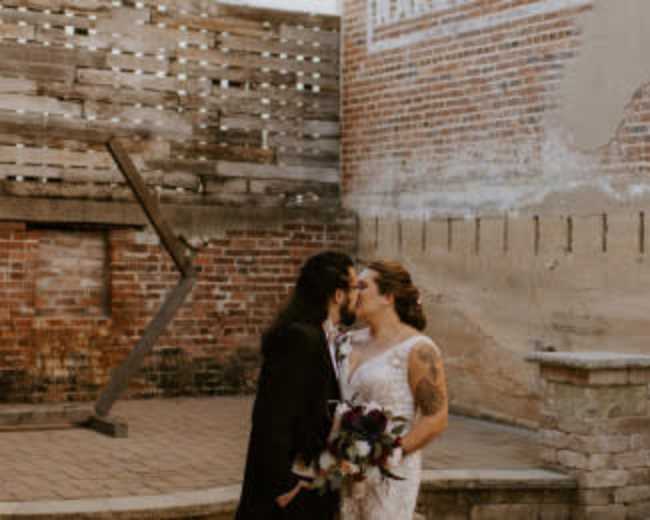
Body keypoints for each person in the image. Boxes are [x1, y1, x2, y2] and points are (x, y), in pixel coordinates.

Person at [235, 251, 359, 520]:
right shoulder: (301, 339)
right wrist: (285, 485)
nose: (357, 295)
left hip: (314, 480)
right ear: (338, 295)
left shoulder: (326, 338)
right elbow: (272, 416)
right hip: (290, 490)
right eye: (355, 287)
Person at [341, 260, 448, 520]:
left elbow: (436, 417)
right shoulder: (346, 341)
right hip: (344, 469)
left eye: (363, 286)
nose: (354, 291)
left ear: (388, 297)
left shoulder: (418, 349)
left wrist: (387, 454)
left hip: (391, 473)